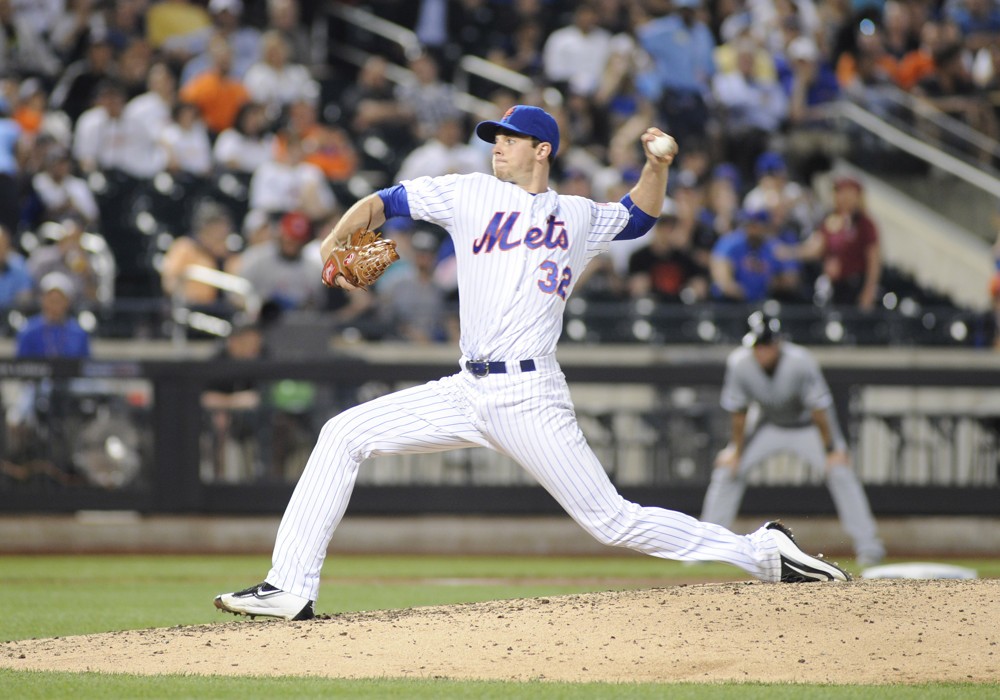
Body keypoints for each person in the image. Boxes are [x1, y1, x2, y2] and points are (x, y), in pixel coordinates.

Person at [213, 104, 850, 622]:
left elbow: (637, 217)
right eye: (495, 137)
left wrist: (656, 164)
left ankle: (763, 552)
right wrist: (334, 237)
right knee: (341, 433)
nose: (498, 146)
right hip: (466, 387)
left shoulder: (574, 215)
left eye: (511, 139)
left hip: (530, 396)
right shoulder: (467, 194)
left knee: (611, 521)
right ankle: (289, 587)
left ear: (542, 150)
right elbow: (385, 201)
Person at [699, 312, 886, 567]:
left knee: (840, 471)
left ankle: (869, 548)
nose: (762, 351)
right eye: (758, 346)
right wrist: (735, 450)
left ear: (778, 343)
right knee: (727, 471)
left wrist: (832, 449)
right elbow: (740, 414)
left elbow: (820, 410)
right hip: (767, 425)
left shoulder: (799, 361)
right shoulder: (740, 363)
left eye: (767, 345)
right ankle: (707, 549)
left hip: (806, 427)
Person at [780, 175, 881, 309]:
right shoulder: (830, 219)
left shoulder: (864, 224)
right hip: (833, 286)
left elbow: (873, 259)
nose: (844, 198)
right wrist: (789, 252)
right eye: (840, 192)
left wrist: (869, 290)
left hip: (855, 284)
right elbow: (816, 248)